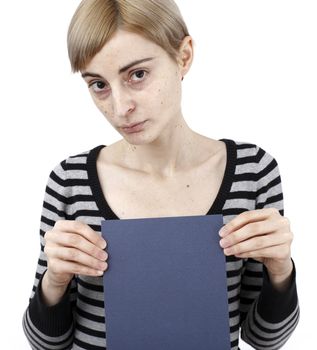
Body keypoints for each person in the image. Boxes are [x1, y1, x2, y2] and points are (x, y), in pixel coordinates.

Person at [22, 0, 299, 349]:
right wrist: (54, 282)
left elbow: (264, 339)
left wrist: (281, 271)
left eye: (137, 74)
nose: (120, 108)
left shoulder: (253, 171)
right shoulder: (70, 180)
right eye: (98, 84)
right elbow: (46, 344)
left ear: (183, 56)